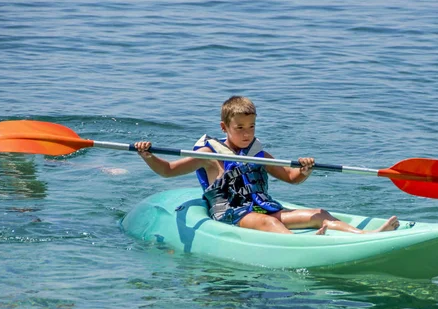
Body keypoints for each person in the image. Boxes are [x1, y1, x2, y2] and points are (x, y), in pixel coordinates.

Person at [135, 96, 399, 235]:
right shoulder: (208, 153)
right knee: (270, 225)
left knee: (319, 212)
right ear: (224, 127)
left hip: (263, 207)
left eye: (251, 127)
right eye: (239, 128)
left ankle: (366, 236)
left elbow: (291, 178)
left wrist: (304, 170)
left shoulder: (258, 153)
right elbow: (168, 171)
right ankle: (303, 249)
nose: (247, 133)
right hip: (232, 214)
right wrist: (148, 156)